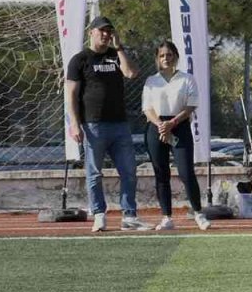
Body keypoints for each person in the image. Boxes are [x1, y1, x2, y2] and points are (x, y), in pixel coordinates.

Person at [66, 16, 144, 232]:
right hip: (93, 126)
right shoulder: (79, 60)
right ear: (91, 32)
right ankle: (99, 214)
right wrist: (74, 124)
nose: (106, 34)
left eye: (109, 31)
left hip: (120, 125)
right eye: (101, 30)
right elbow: (70, 95)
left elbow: (131, 73)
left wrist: (119, 48)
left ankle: (129, 216)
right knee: (94, 173)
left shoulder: (115, 55)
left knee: (129, 171)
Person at [141, 40, 211, 231]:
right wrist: (161, 125)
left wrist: (172, 123)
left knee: (186, 172)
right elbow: (147, 108)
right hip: (157, 128)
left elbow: (191, 106)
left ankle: (198, 213)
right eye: (162, 55)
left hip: (179, 126)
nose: (166, 58)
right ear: (157, 58)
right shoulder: (151, 81)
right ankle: (166, 217)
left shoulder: (187, 79)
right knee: (161, 173)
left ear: (176, 57)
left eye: (169, 55)